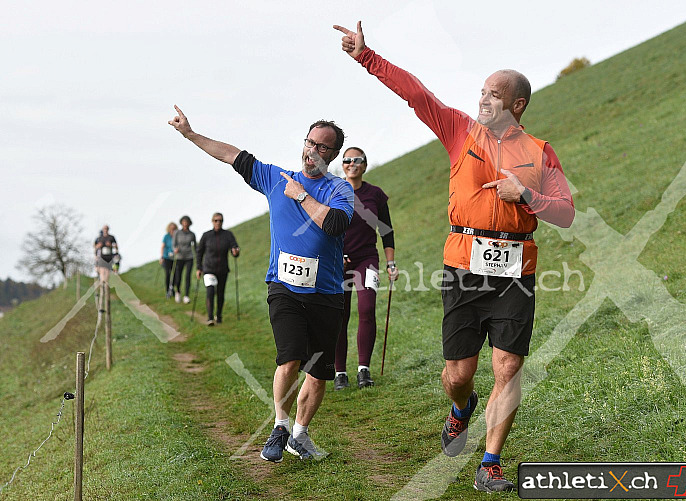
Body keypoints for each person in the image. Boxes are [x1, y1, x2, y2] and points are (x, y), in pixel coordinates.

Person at [334, 22, 575, 492]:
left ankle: (490, 462)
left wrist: (525, 194)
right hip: (463, 266)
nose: (481, 99)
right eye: (481, 91)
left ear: (517, 105)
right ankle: (461, 408)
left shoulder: (540, 152)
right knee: (458, 374)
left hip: (515, 273)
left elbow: (565, 213)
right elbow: (416, 94)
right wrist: (367, 56)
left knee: (508, 365)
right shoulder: (460, 131)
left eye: (492, 94)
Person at [169, 105, 354, 462]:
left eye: (323, 146)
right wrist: (190, 135)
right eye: (310, 141)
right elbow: (231, 155)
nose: (313, 150)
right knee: (289, 359)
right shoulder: (274, 177)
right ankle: (280, 426)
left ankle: (300, 434)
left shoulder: (339, 190)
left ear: (332, 154)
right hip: (283, 287)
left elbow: (334, 226)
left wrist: (301, 195)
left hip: (327, 292)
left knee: (317, 373)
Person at [334, 147, 398, 390]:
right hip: (337, 261)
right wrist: (336, 255)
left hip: (367, 259)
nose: (352, 164)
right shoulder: (334, 191)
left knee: (367, 308)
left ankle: (363, 369)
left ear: (365, 164)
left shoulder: (375, 194)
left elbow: (386, 231)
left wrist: (391, 263)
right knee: (340, 315)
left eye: (357, 160)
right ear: (343, 164)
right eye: (347, 160)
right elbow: (324, 227)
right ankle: (340, 372)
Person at [195, 213, 239, 326]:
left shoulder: (228, 235)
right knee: (210, 291)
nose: (218, 222)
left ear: (222, 221)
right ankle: (210, 318)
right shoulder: (206, 236)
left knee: (220, 294)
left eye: (220, 220)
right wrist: (199, 268)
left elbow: (234, 248)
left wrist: (235, 252)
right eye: (215, 220)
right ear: (212, 221)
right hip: (209, 268)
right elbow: (199, 252)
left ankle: (218, 316)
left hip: (223, 269)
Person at [173, 215, 197, 304]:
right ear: (181, 223)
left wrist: (198, 256)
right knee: (178, 276)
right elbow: (174, 244)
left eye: (187, 222)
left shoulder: (192, 234)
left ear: (189, 223)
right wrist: (175, 249)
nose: (185, 224)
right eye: (184, 222)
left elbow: (195, 246)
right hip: (179, 257)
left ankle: (186, 295)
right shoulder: (177, 233)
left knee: (188, 276)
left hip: (189, 257)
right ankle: (178, 291)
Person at [159, 222, 177, 298]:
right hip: (166, 257)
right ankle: (167, 291)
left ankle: (172, 288)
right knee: (168, 274)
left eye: (174, 229)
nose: (172, 230)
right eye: (171, 229)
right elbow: (162, 246)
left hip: (175, 258)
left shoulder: (177, 236)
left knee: (175, 275)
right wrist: (162, 256)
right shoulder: (166, 237)